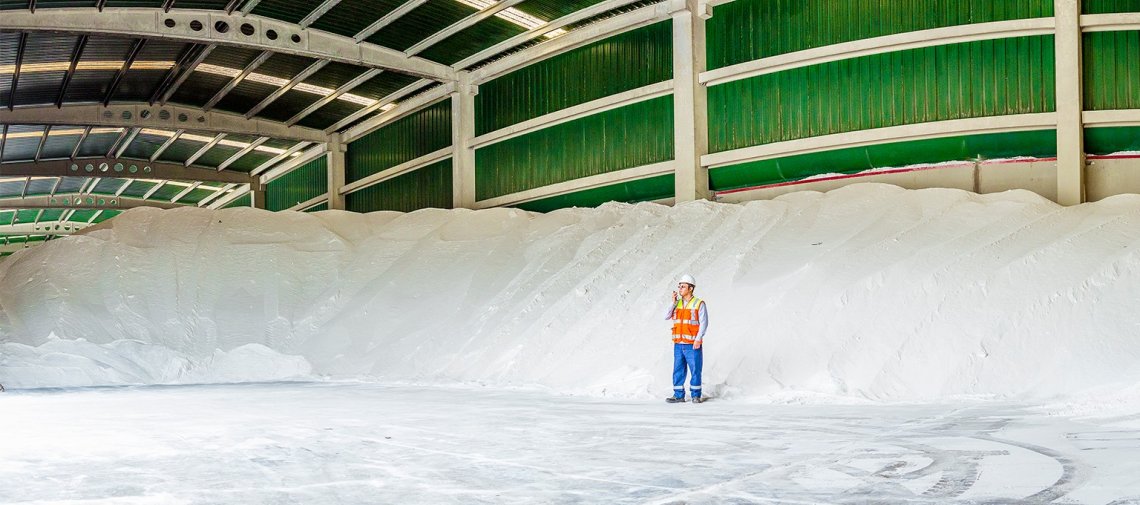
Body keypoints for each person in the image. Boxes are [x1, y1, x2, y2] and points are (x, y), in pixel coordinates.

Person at [665, 274, 707, 403]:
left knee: (695, 369)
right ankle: (678, 395)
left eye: (683, 286)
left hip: (692, 343)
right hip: (678, 343)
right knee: (678, 369)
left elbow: (704, 322)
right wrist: (673, 302)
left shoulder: (698, 303)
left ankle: (695, 395)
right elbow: (666, 316)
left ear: (690, 288)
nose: (680, 289)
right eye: (679, 286)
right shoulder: (676, 304)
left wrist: (698, 339)